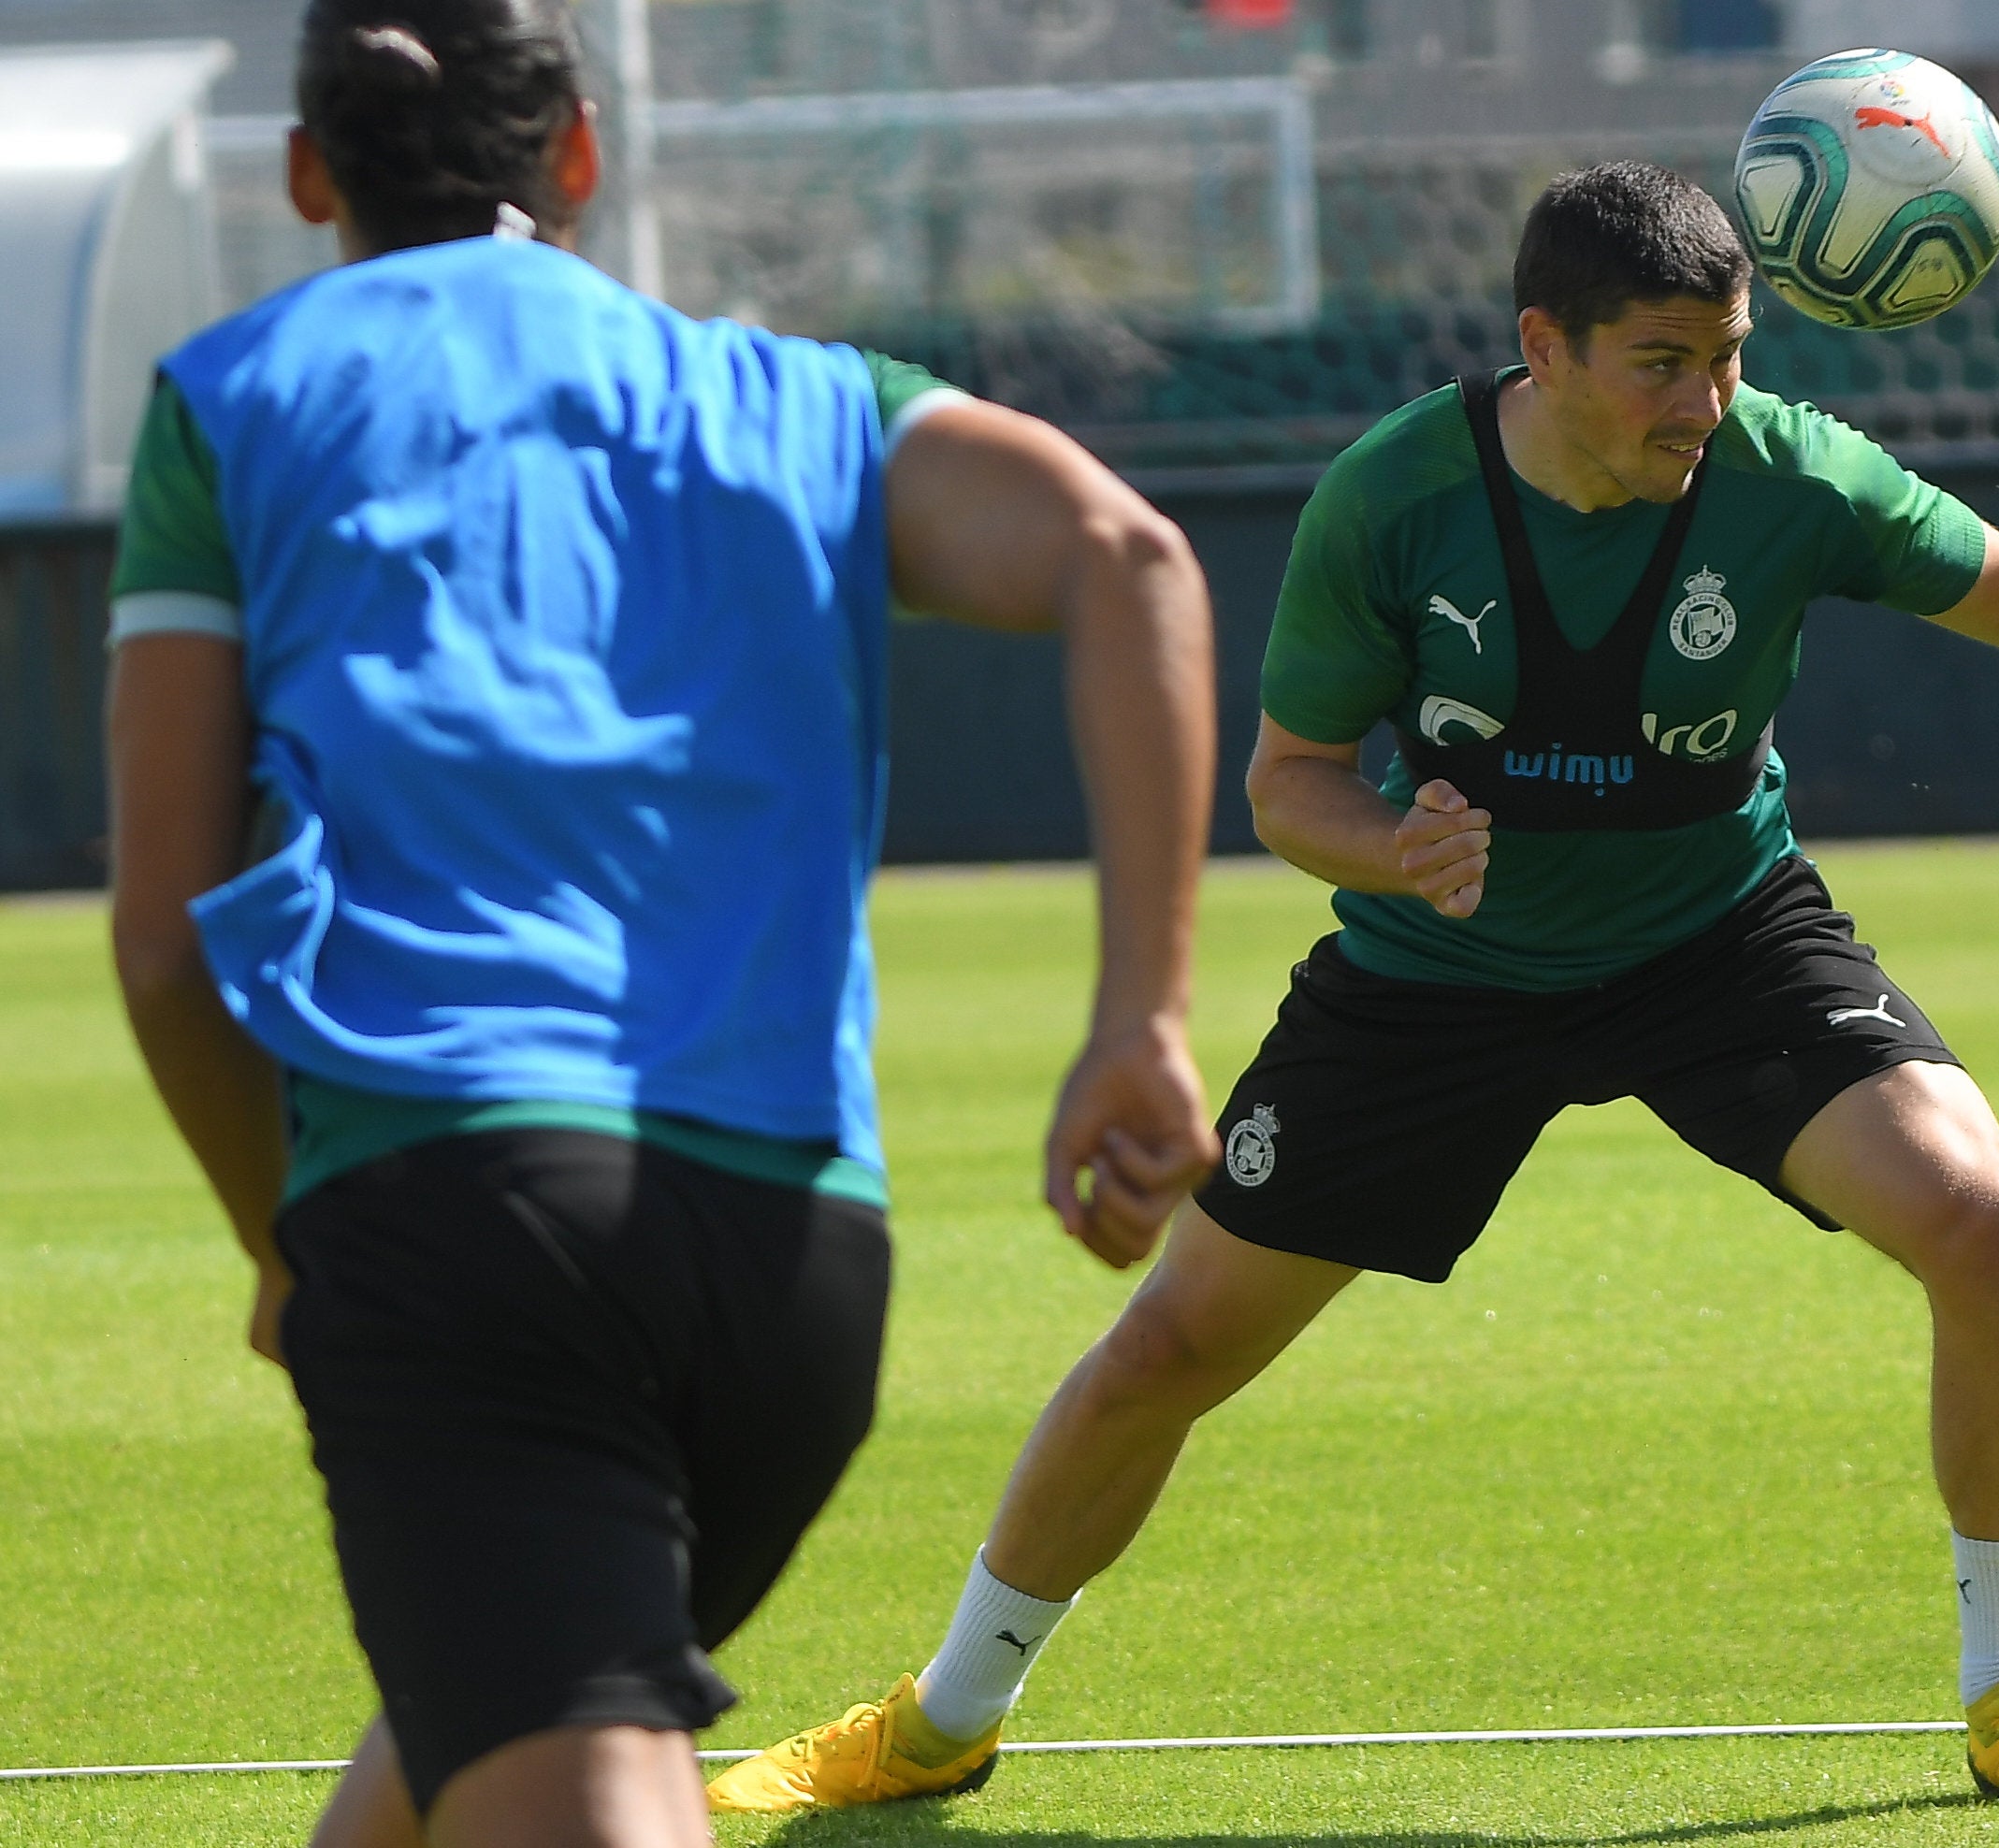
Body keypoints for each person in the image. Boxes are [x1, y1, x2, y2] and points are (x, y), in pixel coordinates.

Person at [710, 158, 1999, 1816]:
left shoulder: (1792, 471)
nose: (1706, 401)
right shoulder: (1394, 497)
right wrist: (1395, 851)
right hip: (1438, 974)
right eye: (1662, 361)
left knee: (1982, 1220)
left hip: (1718, 938)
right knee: (1170, 1348)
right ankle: (943, 1717)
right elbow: (1290, 781)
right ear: (1544, 347)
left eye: (1727, 356)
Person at [103, 4, 1225, 1842]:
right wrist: (1142, 1019)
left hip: (465, 1220)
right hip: (796, 1266)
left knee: (576, 1761)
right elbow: (1133, 561)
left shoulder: (232, 398)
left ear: (307, 171)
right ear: (580, 154)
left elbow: (163, 937)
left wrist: (283, 1249)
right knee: (489, 1714)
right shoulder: (791, 395)